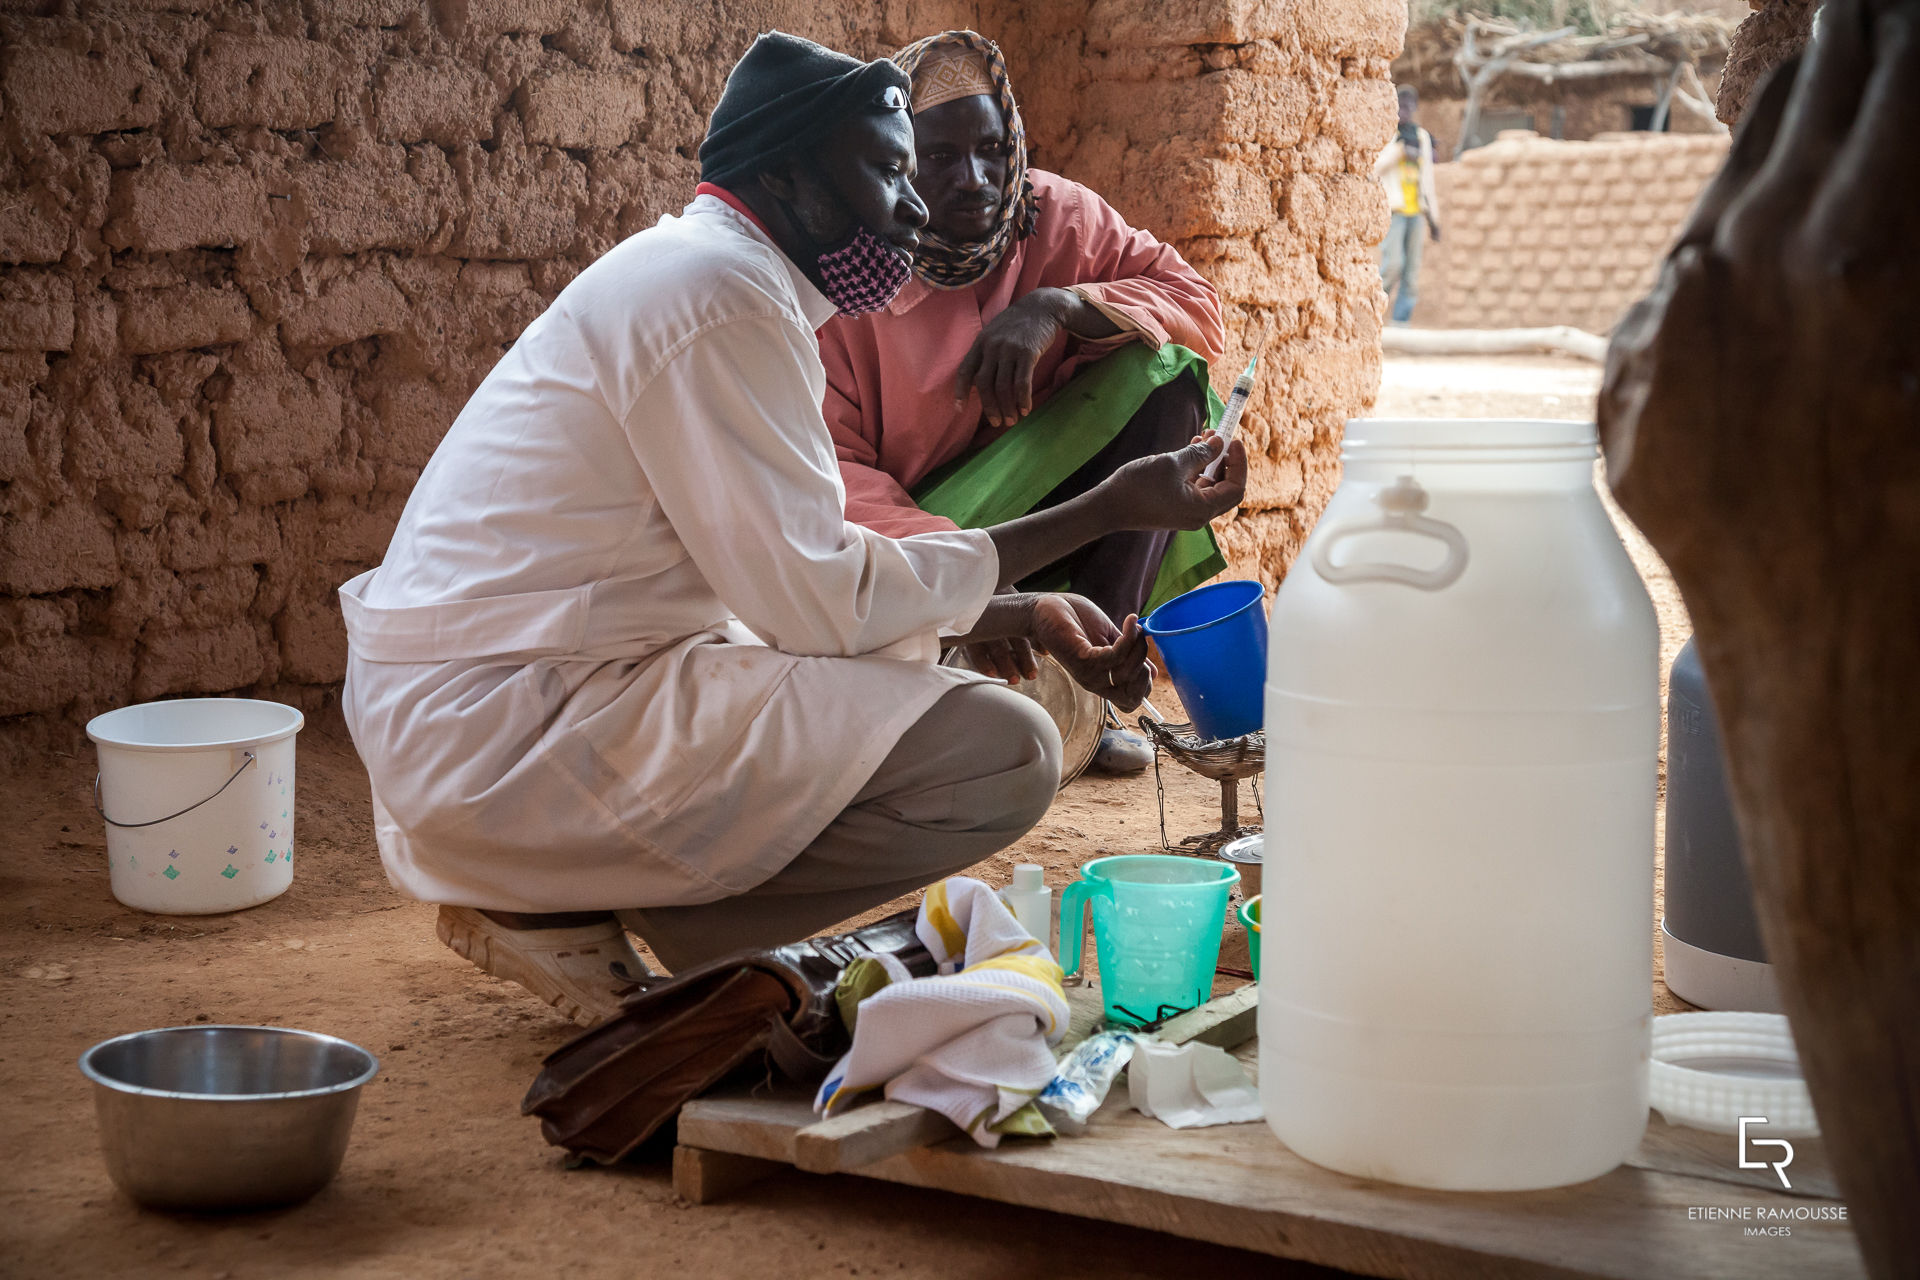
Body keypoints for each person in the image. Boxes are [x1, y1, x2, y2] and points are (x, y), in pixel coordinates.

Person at [337, 32, 1247, 1027]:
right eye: (892, 172)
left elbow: (794, 580)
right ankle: (637, 916)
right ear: (787, 176)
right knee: (1005, 750)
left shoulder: (723, 279)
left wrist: (1020, 611)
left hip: (533, 687)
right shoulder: (717, 300)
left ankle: (666, 915)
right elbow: (822, 600)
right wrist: (1109, 511)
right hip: (509, 727)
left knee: (903, 684)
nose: (914, 210)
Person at [816, 30, 1230, 776]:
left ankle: (1096, 679)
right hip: (925, 529)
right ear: (894, 163)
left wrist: (1062, 305)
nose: (975, 178)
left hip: (1050, 500)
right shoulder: (855, 281)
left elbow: (1196, 306)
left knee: (1166, 377)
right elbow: (838, 482)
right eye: (938, 157)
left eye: (992, 148)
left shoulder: (1053, 214)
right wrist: (976, 577)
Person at [1374, 86, 1441, 326]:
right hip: (1394, 212)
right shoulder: (1388, 135)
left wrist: (1434, 219)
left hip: (1416, 213)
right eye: (1401, 107)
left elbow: (1428, 180)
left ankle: (1401, 323)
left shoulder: (1420, 136)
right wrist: (1400, 151)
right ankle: (1373, 314)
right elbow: (1375, 168)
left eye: (1409, 107)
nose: (1405, 112)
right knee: (1392, 265)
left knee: (1412, 273)